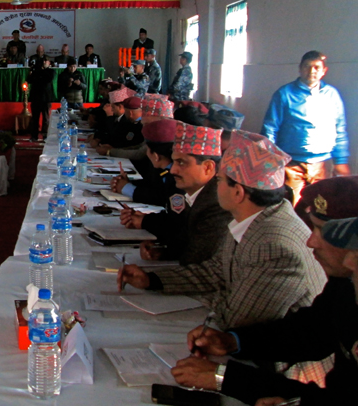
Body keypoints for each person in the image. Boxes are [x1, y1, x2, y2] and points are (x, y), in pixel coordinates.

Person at [170, 177, 358, 406]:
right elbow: (310, 332)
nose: (310, 242)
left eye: (321, 231)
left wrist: (224, 379)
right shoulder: (344, 284)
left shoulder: (275, 241)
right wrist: (234, 342)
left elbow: (342, 405)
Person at [119, 130, 326, 331]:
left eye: (219, 181)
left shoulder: (273, 244)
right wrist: (152, 279)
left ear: (238, 192)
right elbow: (216, 271)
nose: (214, 188)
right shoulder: (251, 219)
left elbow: (236, 319)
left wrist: (222, 293)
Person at [121, 122, 231, 265]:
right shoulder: (194, 192)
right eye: (174, 162)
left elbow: (196, 260)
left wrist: (151, 280)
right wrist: (163, 250)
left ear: (208, 167)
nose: (173, 170)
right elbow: (182, 232)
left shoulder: (216, 205)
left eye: (181, 163)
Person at [261, 50, 350, 204]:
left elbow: (340, 129)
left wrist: (340, 160)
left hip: (322, 164)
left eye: (316, 67)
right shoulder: (284, 94)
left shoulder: (332, 95)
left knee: (321, 207)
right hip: (292, 163)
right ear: (300, 69)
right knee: (292, 206)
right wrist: (270, 159)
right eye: (307, 67)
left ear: (324, 71)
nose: (311, 71)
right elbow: (270, 128)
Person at [111, 118, 179, 206]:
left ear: (156, 156)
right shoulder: (163, 169)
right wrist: (129, 182)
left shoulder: (177, 175)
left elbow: (162, 198)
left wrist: (127, 188)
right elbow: (154, 186)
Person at [27, 56, 54, 142]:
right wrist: (34, 72)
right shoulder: (36, 71)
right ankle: (34, 136)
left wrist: (40, 73)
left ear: (49, 63)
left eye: (46, 61)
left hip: (46, 98)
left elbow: (48, 79)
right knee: (35, 118)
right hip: (36, 97)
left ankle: (45, 135)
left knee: (46, 118)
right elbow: (29, 80)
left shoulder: (51, 71)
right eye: (43, 61)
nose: (44, 62)